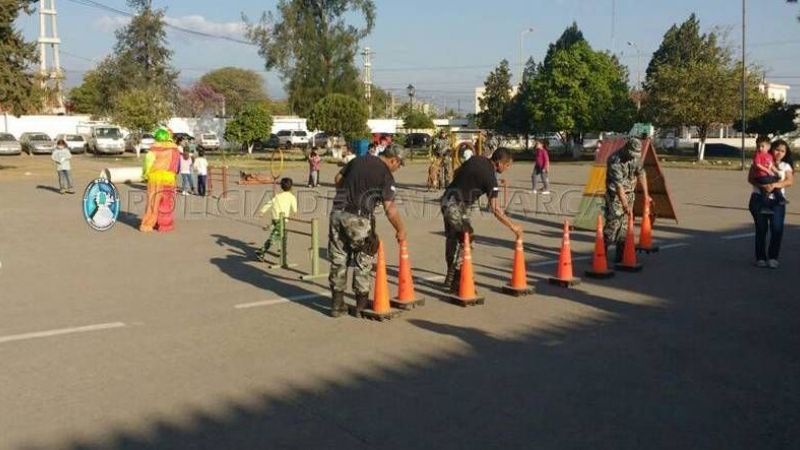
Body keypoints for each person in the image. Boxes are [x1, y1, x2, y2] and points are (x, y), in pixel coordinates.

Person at [329, 145, 407, 318]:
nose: (398, 168)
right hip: (358, 217)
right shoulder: (386, 175)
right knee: (364, 256)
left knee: (338, 257)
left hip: (337, 213)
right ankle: (361, 304)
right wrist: (400, 229)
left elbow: (337, 178)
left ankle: (337, 304)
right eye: (399, 164)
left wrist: (345, 196)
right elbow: (390, 208)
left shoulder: (358, 160)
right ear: (393, 159)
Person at [441, 148, 523, 292]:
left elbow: (457, 172)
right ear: (499, 163)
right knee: (467, 239)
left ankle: (451, 277)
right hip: (457, 206)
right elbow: (495, 209)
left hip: (446, 199)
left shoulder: (476, 159)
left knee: (453, 239)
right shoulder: (490, 179)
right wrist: (513, 226)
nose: (507, 168)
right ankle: (458, 280)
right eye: (507, 165)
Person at [748, 139, 794, 269]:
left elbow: (789, 181)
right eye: (777, 149)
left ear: (785, 153)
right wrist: (763, 186)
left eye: (782, 151)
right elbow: (750, 178)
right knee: (761, 229)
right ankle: (760, 258)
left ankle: (773, 257)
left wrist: (774, 185)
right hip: (759, 199)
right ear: (771, 148)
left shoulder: (785, 166)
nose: (779, 153)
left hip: (777, 202)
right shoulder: (761, 158)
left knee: (776, 229)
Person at [603, 137, 650, 263]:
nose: (633, 157)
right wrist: (624, 204)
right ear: (626, 149)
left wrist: (646, 195)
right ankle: (601, 253)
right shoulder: (615, 160)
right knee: (613, 225)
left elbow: (641, 173)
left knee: (625, 226)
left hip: (629, 195)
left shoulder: (635, 158)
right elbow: (618, 186)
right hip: (615, 196)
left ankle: (621, 255)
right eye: (631, 154)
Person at [140, 127, 181, 233]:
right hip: (170, 179)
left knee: (153, 203)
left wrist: (145, 175)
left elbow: (148, 164)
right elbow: (177, 165)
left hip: (155, 179)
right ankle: (165, 225)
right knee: (166, 203)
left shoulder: (153, 150)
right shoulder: (175, 149)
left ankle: (148, 224)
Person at [256, 177, 298, 262]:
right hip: (282, 220)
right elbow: (295, 209)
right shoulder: (291, 197)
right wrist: (295, 213)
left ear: (281, 187)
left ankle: (281, 250)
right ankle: (261, 251)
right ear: (291, 187)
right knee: (275, 237)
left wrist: (262, 212)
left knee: (282, 235)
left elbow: (269, 204)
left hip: (275, 218)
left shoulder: (277, 196)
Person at [752, 136, 786, 207]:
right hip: (761, 176)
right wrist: (767, 170)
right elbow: (757, 165)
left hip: (767, 177)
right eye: (758, 146)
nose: (760, 148)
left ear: (768, 147)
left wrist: (777, 172)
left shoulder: (769, 156)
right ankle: (780, 198)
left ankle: (779, 199)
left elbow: (772, 165)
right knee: (775, 182)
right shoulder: (758, 155)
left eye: (762, 146)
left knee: (772, 187)